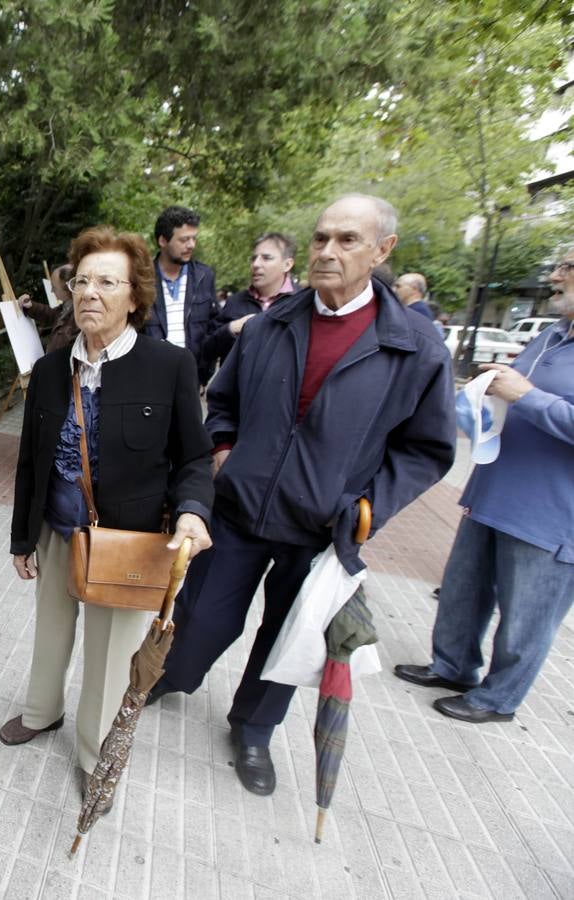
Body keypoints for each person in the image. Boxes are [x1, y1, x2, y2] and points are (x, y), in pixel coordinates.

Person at [147, 194, 456, 796]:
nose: (327, 252)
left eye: (346, 240)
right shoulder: (272, 324)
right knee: (201, 618)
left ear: (382, 250)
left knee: (287, 639)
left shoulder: (413, 347)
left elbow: (427, 449)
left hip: (321, 527)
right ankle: (170, 678)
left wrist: (367, 509)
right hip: (237, 511)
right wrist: (222, 449)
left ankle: (255, 729)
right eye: (320, 239)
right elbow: (225, 400)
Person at [0, 225, 213, 806]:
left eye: (108, 282)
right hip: (58, 529)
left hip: (128, 541)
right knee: (51, 630)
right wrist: (24, 538)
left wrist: (193, 511)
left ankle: (95, 757)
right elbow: (30, 463)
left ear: (135, 296)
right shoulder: (49, 370)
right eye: (83, 280)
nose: (90, 292)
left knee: (109, 655)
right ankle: (42, 712)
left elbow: (194, 457)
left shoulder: (168, 366)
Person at [394, 249, 574, 723]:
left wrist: (528, 397)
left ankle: (498, 700)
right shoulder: (552, 336)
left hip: (551, 516)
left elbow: (533, 400)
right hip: (494, 490)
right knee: (463, 589)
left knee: (526, 618)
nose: (555, 275)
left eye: (569, 267)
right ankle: (452, 666)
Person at [142, 205, 219, 385]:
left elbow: (212, 328)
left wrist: (204, 376)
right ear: (163, 240)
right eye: (184, 240)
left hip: (191, 379)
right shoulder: (142, 277)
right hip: (151, 379)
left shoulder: (204, 276)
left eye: (193, 238)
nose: (191, 245)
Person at [203, 232, 298, 371]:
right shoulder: (235, 302)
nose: (256, 264)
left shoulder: (302, 303)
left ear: (287, 264)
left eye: (266, 258)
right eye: (254, 258)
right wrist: (230, 329)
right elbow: (207, 348)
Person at [20, 262, 79, 352]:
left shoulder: (81, 317)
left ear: (67, 289)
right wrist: (31, 306)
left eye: (54, 287)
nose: (51, 291)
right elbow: (52, 314)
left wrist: (46, 364)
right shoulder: (68, 306)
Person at [393, 272, 445, 337]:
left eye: (398, 286)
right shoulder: (416, 309)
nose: (394, 290)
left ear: (414, 288)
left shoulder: (418, 312)